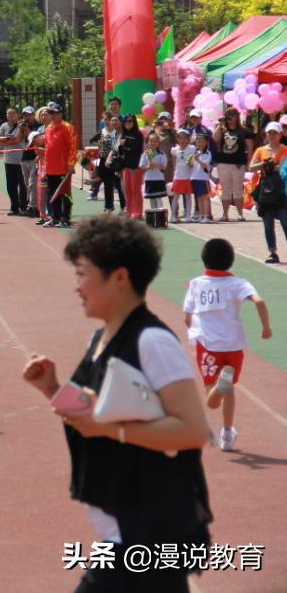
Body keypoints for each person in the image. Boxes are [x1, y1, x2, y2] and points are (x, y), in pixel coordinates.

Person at [22, 214, 213, 593]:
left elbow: (193, 431)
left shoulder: (152, 342)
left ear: (120, 277)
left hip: (147, 535)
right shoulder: (102, 337)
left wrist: (110, 429)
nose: (76, 286)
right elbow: (99, 408)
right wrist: (54, 387)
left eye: (82, 273)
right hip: (124, 531)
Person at [184, 238, 272, 453]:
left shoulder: (196, 284)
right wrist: (266, 328)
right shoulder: (238, 284)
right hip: (233, 346)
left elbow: (188, 317)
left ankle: (226, 426)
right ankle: (227, 432)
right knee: (229, 387)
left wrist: (193, 328)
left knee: (212, 401)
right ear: (231, 262)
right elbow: (259, 301)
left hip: (208, 345)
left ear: (205, 264)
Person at [250, 122, 287, 262]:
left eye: (275, 132)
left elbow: (282, 167)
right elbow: (252, 166)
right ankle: (272, 252)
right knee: (268, 223)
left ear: (280, 134)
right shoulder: (260, 150)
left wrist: (268, 165)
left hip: (280, 189)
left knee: (285, 221)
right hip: (265, 189)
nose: (272, 135)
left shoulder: (284, 149)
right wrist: (265, 164)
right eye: (270, 132)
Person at [212, 106, 253, 222]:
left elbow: (249, 146)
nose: (230, 117)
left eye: (232, 115)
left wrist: (249, 161)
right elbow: (215, 138)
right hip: (223, 162)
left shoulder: (244, 131)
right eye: (228, 115)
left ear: (237, 116)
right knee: (225, 189)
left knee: (238, 188)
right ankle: (225, 214)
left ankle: (240, 214)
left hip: (238, 163)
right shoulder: (222, 129)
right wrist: (220, 124)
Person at [42, 102, 78, 229]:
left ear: (61, 114)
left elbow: (73, 147)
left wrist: (71, 164)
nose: (52, 115)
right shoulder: (48, 129)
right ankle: (54, 217)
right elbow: (47, 149)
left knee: (65, 193)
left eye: (55, 112)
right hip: (51, 168)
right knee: (53, 193)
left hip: (63, 168)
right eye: (50, 113)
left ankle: (66, 218)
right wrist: (45, 167)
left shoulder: (68, 127)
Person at [0, 106, 27, 215]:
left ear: (17, 115)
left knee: (22, 185)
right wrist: (7, 139)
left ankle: (23, 207)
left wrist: (7, 141)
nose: (10, 115)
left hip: (20, 159)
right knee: (11, 185)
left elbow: (18, 139)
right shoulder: (4, 125)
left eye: (13, 113)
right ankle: (14, 207)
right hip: (8, 159)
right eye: (8, 113)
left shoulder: (21, 125)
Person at [116, 114, 145, 220]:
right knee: (127, 190)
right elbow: (119, 150)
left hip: (135, 165)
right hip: (125, 166)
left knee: (135, 189)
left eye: (130, 121)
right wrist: (121, 146)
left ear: (134, 122)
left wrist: (124, 147)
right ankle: (129, 211)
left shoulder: (138, 134)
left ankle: (137, 213)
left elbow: (136, 150)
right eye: (126, 121)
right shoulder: (123, 134)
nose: (128, 123)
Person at [97, 114, 126, 215]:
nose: (113, 122)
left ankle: (125, 208)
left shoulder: (125, 135)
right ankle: (109, 207)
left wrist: (121, 167)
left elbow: (126, 151)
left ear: (121, 122)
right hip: (114, 163)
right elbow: (113, 149)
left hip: (124, 164)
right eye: (112, 121)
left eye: (115, 121)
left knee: (121, 187)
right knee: (110, 185)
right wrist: (108, 159)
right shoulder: (114, 135)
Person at [139, 132, 170, 220]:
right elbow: (142, 166)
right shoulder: (145, 154)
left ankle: (160, 218)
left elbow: (164, 167)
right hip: (149, 179)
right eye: (151, 141)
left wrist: (155, 165)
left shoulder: (162, 154)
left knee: (158, 197)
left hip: (158, 179)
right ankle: (153, 218)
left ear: (158, 142)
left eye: (155, 141)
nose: (153, 143)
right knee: (152, 198)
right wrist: (149, 166)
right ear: (148, 142)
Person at [19, 107, 42, 217]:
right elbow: (18, 140)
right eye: (24, 115)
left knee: (33, 184)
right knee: (27, 184)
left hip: (35, 158)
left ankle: (33, 207)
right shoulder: (23, 126)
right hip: (25, 158)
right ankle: (32, 204)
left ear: (33, 114)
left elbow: (35, 139)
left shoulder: (38, 126)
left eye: (28, 115)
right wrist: (20, 129)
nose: (26, 117)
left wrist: (27, 129)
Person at [170, 129, 195, 224]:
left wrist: (191, 164)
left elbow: (193, 161)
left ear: (187, 139)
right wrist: (173, 176)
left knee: (188, 196)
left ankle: (188, 216)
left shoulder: (191, 148)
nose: (182, 140)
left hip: (188, 176)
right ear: (177, 139)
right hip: (178, 176)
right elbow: (173, 163)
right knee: (176, 196)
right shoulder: (174, 150)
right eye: (180, 138)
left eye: (184, 138)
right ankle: (173, 216)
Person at [191, 132, 214, 224]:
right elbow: (191, 165)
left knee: (205, 197)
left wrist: (198, 159)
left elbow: (205, 165)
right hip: (194, 177)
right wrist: (189, 161)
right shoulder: (195, 152)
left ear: (206, 142)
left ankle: (206, 216)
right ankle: (201, 215)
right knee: (199, 197)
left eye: (202, 141)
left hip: (203, 178)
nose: (200, 143)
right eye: (198, 141)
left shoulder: (208, 153)